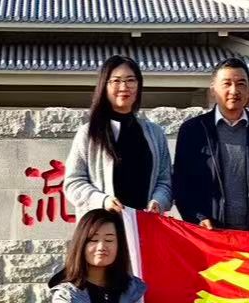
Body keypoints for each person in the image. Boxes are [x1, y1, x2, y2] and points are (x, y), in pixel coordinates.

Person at [172, 58, 249, 233]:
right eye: (227, 84)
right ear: (213, 90)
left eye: (241, 84)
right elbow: (182, 183)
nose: (234, 90)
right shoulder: (193, 131)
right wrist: (197, 218)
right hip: (209, 234)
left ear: (248, 90)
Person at [63, 56, 173, 216]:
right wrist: (103, 201)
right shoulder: (89, 133)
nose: (124, 87)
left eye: (130, 80)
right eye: (116, 81)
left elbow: (165, 181)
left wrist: (158, 201)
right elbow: (73, 182)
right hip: (103, 224)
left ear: (139, 85)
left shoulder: (155, 134)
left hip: (144, 224)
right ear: (104, 86)